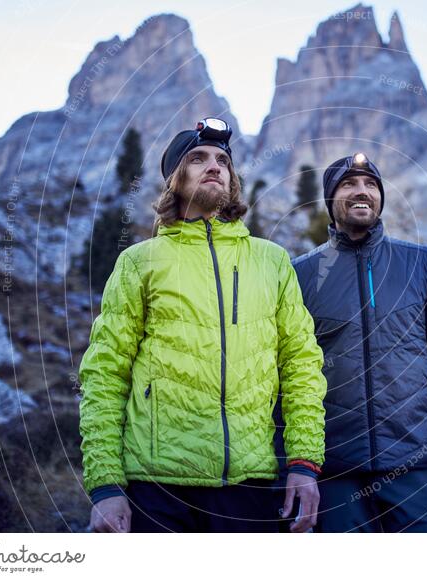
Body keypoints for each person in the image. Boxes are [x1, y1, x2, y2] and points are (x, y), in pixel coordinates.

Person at [78, 117, 326, 533]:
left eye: (223, 160)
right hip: (156, 488)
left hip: (250, 484)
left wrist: (304, 463)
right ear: (175, 180)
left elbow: (301, 366)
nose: (214, 165)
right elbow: (104, 375)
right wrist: (105, 485)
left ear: (232, 180)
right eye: (198, 158)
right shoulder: (140, 262)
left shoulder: (271, 261)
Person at [291, 152, 427, 532]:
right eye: (348, 183)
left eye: (371, 184)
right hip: (336, 477)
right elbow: (287, 376)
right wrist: (293, 469)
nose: (362, 191)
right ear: (330, 200)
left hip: (416, 471)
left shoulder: (421, 264)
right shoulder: (301, 275)